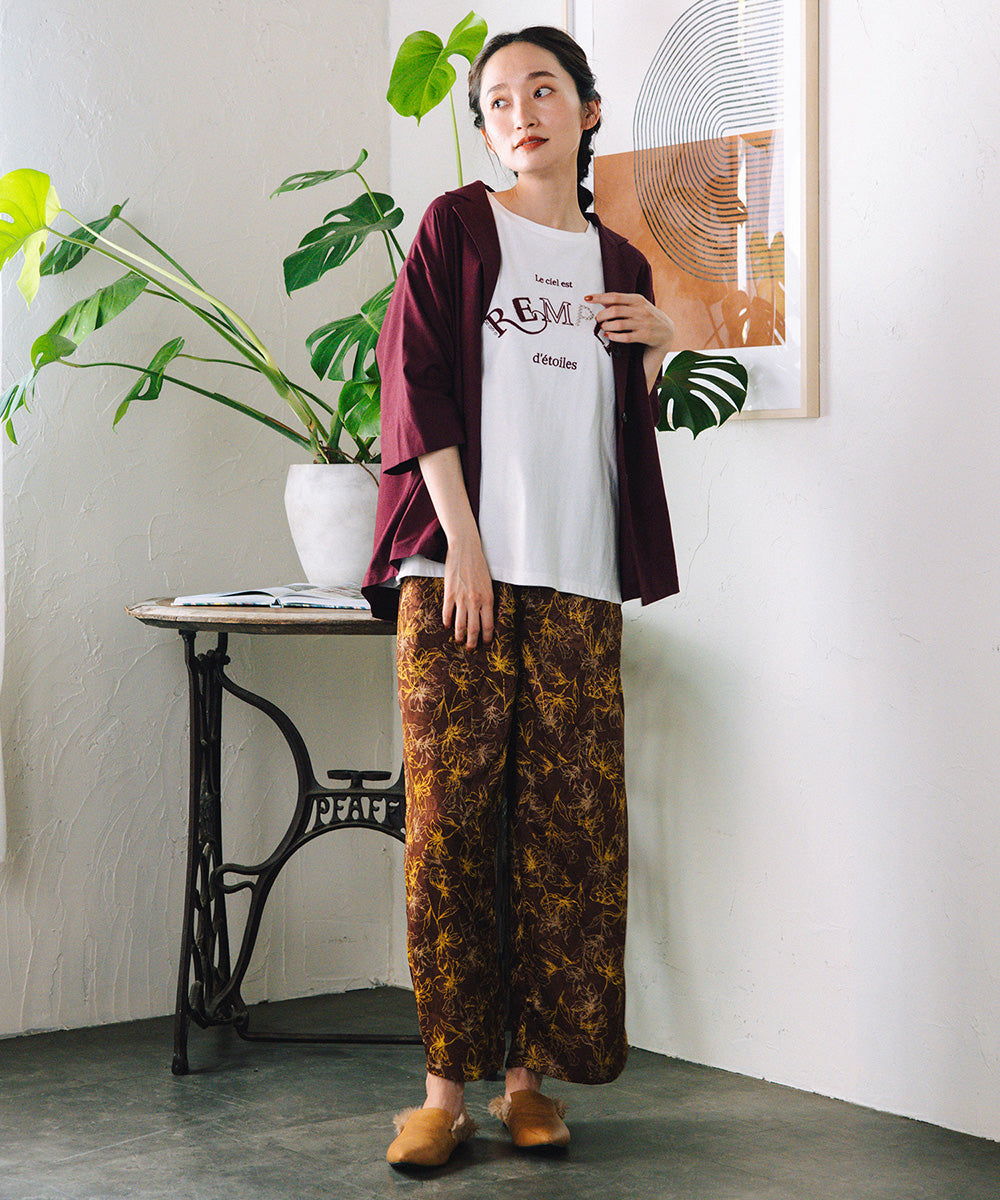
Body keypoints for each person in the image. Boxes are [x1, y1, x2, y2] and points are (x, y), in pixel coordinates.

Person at [362, 25, 679, 1169]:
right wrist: (462, 544)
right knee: (451, 834)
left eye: (542, 90)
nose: (519, 112)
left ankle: (527, 1084)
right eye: (497, 99)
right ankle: (442, 1093)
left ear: (586, 111)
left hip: (580, 578)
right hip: (461, 574)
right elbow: (414, 380)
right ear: (486, 127)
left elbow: (618, 424)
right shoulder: (457, 226)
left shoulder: (620, 261)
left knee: (568, 832)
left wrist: (661, 342)